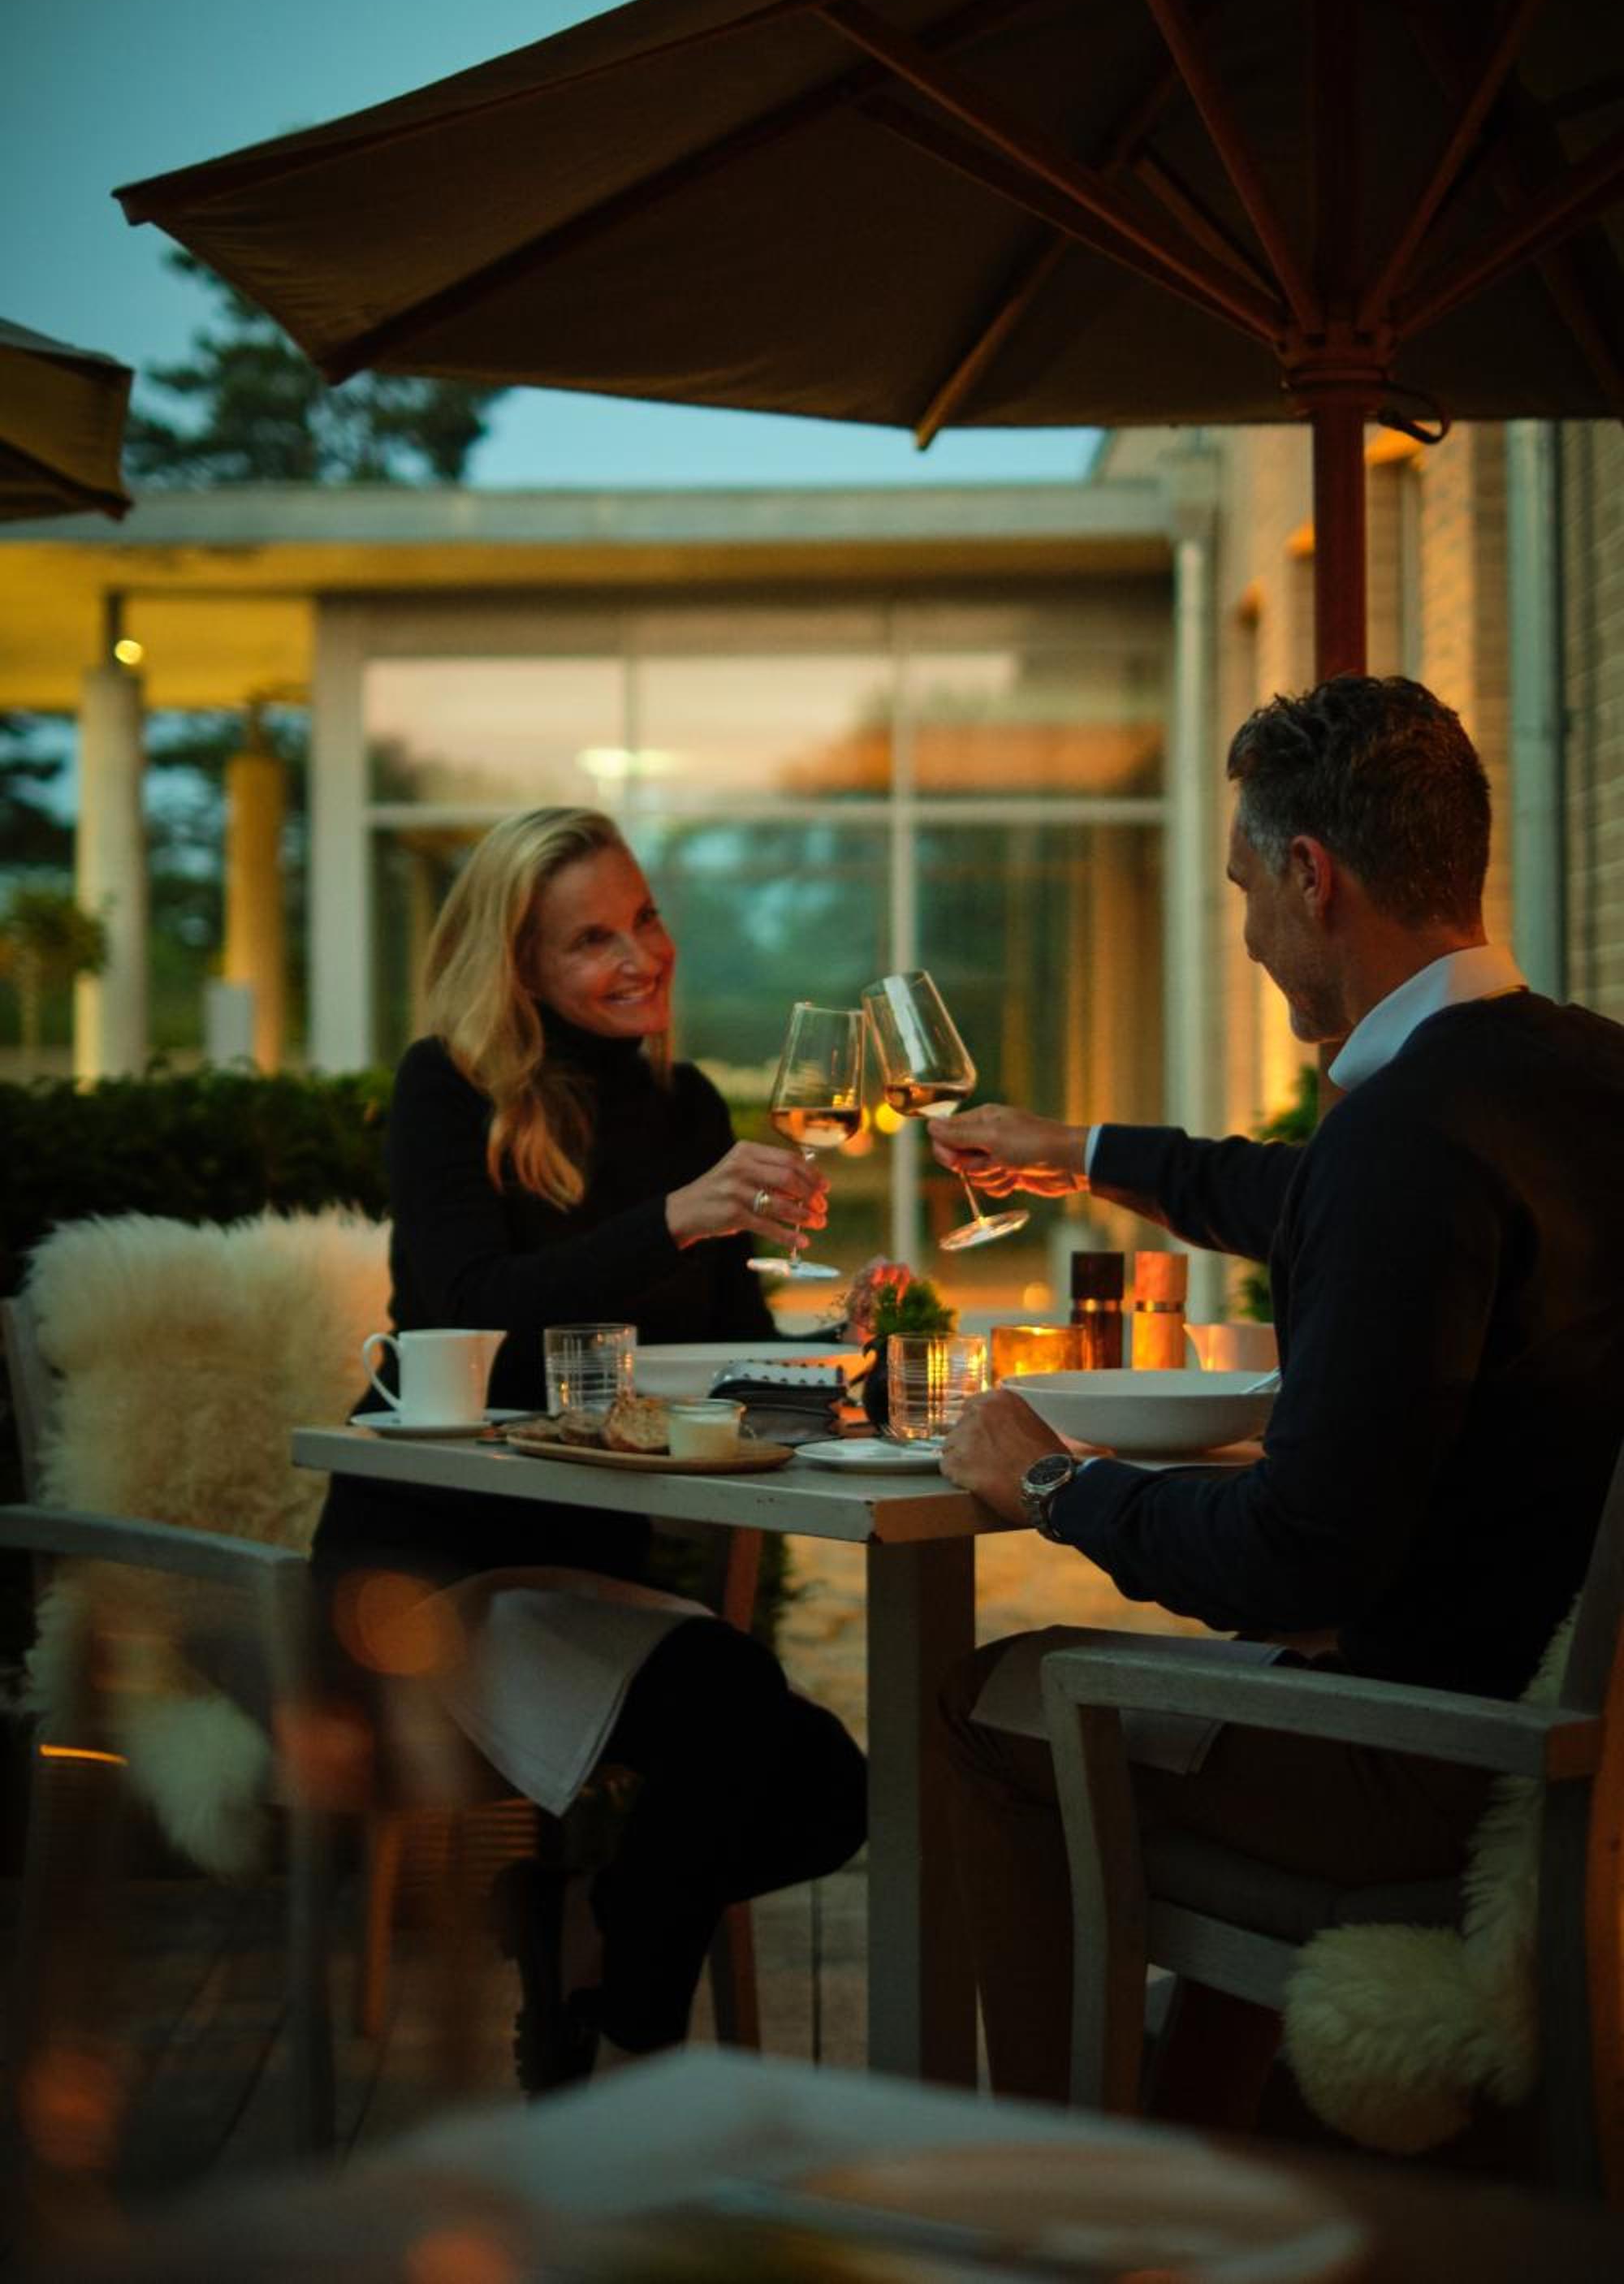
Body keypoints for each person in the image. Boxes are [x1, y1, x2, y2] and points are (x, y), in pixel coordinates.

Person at [926, 675, 1624, 2106]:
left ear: (1313, 875)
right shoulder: (1578, 1073)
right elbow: (1308, 1199)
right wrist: (1082, 1152)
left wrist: (1056, 1482)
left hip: (1442, 1760)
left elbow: (1295, 1556)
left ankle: (1057, 2172)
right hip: (1589, 1738)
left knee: (989, 1700)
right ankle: (1207, 2115)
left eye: (1246, 891)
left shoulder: (1406, 1138)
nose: (1247, 935)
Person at [310, 805, 866, 2090]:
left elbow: (728, 1357)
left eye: (647, 919)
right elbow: (468, 1312)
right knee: (733, 1717)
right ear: (519, 965)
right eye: (593, 940)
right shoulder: (449, 1087)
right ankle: (629, 2054)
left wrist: (847, 1348)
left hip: (590, 1576)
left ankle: (582, 1930)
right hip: (431, 1571)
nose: (642, 956)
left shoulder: (686, 1104)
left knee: (829, 1788)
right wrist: (671, 1221)